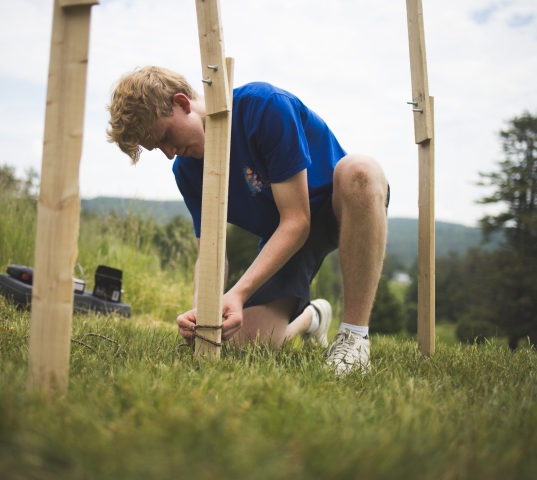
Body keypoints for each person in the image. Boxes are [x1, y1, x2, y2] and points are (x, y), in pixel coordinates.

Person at [107, 66, 389, 376]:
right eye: (157, 148)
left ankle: (354, 336)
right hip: (282, 235)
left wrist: (238, 293)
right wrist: (204, 311)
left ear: (182, 103)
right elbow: (210, 252)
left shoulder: (264, 107)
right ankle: (313, 318)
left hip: (334, 208)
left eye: (166, 137)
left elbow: (298, 220)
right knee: (248, 344)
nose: (170, 153)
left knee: (360, 170)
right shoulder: (188, 172)